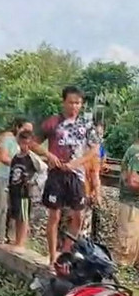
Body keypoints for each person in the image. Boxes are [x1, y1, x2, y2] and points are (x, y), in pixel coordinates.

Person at [32, 86, 98, 266]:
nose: (74, 106)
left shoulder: (86, 125)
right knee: (54, 216)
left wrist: (77, 163)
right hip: (56, 175)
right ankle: (53, 257)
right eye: (71, 102)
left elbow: (94, 149)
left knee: (78, 216)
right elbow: (32, 142)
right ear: (63, 102)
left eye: (78, 103)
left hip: (76, 175)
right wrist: (49, 155)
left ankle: (66, 252)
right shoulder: (53, 122)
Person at [0, 119, 26, 241]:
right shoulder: (8, 139)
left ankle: (7, 235)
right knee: (0, 205)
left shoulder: (24, 143)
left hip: (15, 179)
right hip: (2, 176)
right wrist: (17, 164)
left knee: (12, 208)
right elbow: (3, 157)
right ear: (18, 128)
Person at [8, 129, 38, 248]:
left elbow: (43, 170)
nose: (24, 146)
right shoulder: (16, 157)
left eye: (26, 143)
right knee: (16, 216)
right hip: (14, 190)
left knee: (24, 217)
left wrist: (33, 182)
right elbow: (11, 173)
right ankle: (16, 240)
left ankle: (21, 242)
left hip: (25, 192)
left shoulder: (32, 158)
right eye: (22, 143)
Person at [114, 137, 139, 267]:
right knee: (125, 252)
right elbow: (133, 182)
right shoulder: (136, 153)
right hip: (132, 206)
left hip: (134, 206)